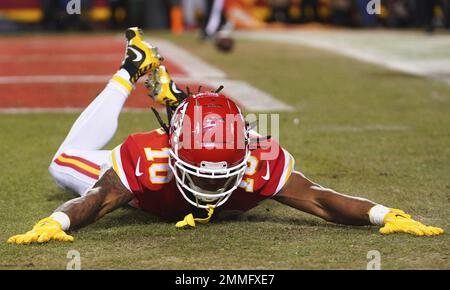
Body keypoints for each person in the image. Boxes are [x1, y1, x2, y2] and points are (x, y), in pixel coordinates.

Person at [7, 27, 443, 245]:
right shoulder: (149, 156)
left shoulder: (258, 158)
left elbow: (321, 199)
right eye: (202, 173)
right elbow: (96, 200)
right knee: (61, 163)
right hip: (149, 183)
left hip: (189, 148)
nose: (212, 185)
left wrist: (385, 215)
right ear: (173, 152)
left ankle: (180, 101)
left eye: (221, 174)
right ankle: (130, 68)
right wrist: (57, 221)